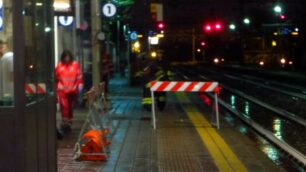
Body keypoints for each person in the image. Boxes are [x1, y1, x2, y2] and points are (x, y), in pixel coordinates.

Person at [55, 50, 83, 134]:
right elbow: (56, 78)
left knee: (70, 107)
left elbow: (79, 77)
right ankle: (65, 123)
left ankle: (69, 123)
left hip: (72, 90)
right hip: (62, 90)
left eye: (68, 57)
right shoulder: (59, 66)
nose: (67, 59)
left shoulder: (75, 65)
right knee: (64, 107)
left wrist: (78, 86)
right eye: (65, 57)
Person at [0, 40, 14, 106]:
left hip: (4, 94)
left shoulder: (2, 59)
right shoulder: (11, 56)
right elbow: (13, 72)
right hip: (12, 92)